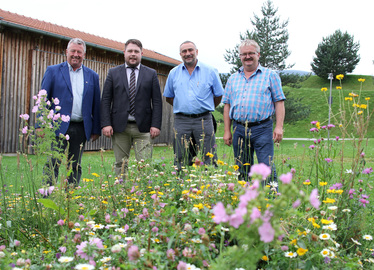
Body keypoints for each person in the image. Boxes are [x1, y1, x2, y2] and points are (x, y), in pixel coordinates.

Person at [37, 37, 101, 186]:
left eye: (79, 52)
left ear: (84, 55)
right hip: (57, 126)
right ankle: (48, 194)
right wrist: (40, 122)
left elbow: (96, 104)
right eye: (73, 51)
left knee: (75, 164)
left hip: (80, 127)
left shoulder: (92, 76)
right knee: (53, 162)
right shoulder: (53, 71)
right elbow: (43, 98)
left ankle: (70, 197)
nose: (76, 55)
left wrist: (96, 128)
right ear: (66, 52)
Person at [222, 39, 285, 182]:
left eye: (251, 53)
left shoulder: (270, 75)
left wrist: (279, 127)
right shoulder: (233, 79)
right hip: (239, 129)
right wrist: (227, 130)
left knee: (266, 168)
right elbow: (227, 105)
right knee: (242, 168)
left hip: (262, 128)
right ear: (240, 56)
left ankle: (270, 200)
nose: (247, 57)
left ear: (258, 55)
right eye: (244, 54)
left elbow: (279, 102)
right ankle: (245, 200)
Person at [101, 39, 162, 177]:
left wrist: (156, 125)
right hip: (119, 127)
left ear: (141, 53)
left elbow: (157, 102)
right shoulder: (113, 73)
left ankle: (143, 194)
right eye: (130, 51)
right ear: (124, 53)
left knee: (145, 165)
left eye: (136, 51)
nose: (133, 54)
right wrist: (106, 123)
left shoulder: (151, 74)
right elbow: (105, 100)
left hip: (144, 128)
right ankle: (121, 193)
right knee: (120, 164)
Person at [163, 41, 224, 171]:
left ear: (197, 51)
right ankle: (182, 185)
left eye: (190, 50)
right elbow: (168, 96)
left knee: (209, 156)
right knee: (181, 156)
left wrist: (204, 107)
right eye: (184, 51)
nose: (188, 53)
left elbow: (218, 95)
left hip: (204, 120)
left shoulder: (211, 71)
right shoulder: (173, 73)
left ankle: (210, 186)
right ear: (180, 54)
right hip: (181, 120)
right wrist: (184, 107)